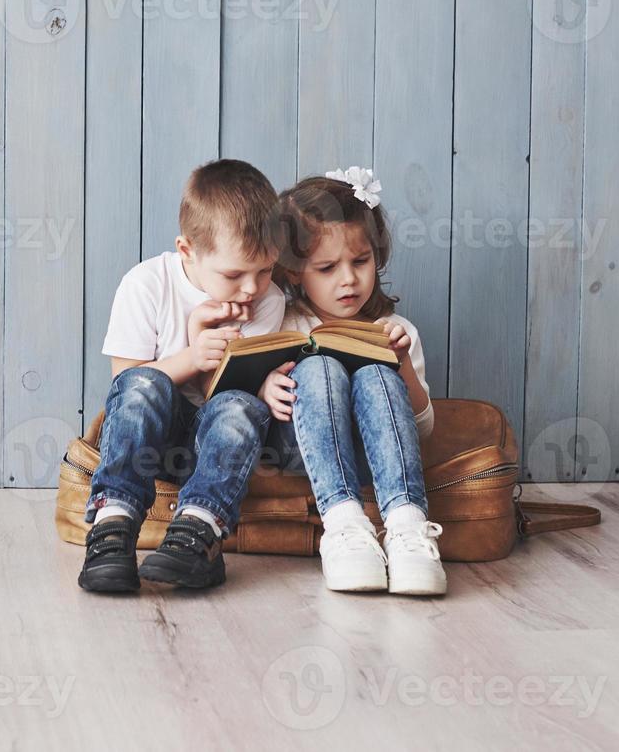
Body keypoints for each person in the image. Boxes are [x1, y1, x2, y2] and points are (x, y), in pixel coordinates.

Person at [78, 159, 286, 592]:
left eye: (265, 270)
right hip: (152, 443)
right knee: (143, 385)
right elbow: (127, 383)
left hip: (222, 448)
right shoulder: (147, 284)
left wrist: (216, 361)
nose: (252, 288)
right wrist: (193, 354)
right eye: (234, 274)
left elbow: (233, 403)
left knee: (241, 404)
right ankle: (112, 522)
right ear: (187, 250)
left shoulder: (268, 301)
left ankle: (198, 531)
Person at [258, 167, 447, 596]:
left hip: (377, 463)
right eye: (327, 268)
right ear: (293, 272)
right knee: (318, 365)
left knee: (377, 371)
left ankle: (406, 527)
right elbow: (251, 399)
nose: (348, 279)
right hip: (300, 456)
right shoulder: (281, 324)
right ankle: (343, 527)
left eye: (360, 262)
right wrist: (265, 386)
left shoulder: (394, 329)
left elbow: (423, 428)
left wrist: (401, 366)